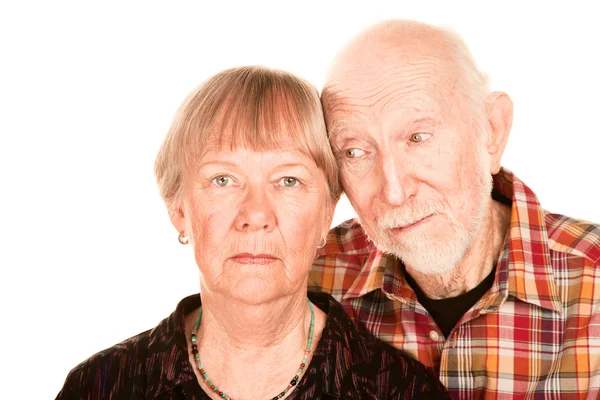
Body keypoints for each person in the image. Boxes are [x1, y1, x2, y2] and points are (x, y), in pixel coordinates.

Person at [55, 66, 448, 399]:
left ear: (327, 212)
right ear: (178, 209)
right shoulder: (100, 387)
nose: (256, 214)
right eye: (223, 179)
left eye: (289, 180)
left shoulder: (401, 389)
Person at [310, 20, 600, 398]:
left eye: (418, 137)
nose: (395, 192)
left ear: (492, 131)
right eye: (355, 151)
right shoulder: (309, 283)